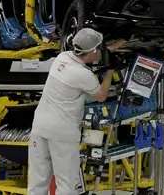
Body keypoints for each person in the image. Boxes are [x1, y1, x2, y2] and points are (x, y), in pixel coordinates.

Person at [27, 28, 120, 195]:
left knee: (37, 182)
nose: (100, 52)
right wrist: (110, 71)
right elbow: (101, 96)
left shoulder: (62, 58)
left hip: (40, 127)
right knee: (66, 183)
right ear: (93, 51)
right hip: (62, 133)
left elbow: (89, 57)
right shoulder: (84, 75)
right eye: (99, 48)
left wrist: (112, 48)